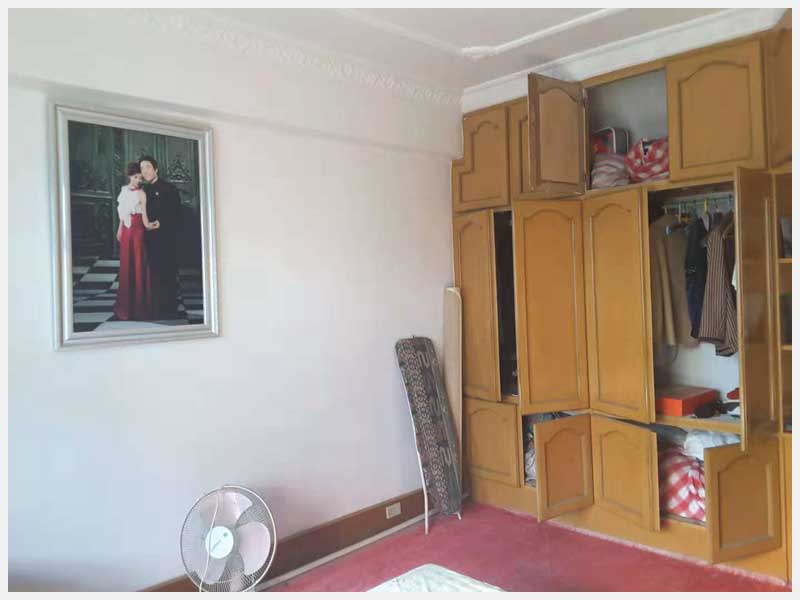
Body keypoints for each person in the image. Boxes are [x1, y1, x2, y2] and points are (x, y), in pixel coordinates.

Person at [113, 162, 160, 321]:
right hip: (126, 230)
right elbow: (123, 214)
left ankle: (140, 309)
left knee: (139, 265)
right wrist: (120, 229)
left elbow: (145, 220)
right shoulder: (124, 191)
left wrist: (155, 225)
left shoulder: (141, 194)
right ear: (129, 176)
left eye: (140, 178)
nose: (138, 181)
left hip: (138, 231)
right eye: (135, 177)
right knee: (126, 266)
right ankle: (126, 307)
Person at [139, 155, 181, 320]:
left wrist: (160, 223)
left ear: (156, 169)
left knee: (167, 272)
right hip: (148, 238)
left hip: (166, 238)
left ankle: (170, 308)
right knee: (152, 273)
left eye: (148, 167)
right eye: (142, 169)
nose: (145, 171)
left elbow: (176, 213)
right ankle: (155, 308)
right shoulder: (142, 190)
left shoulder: (169, 188)